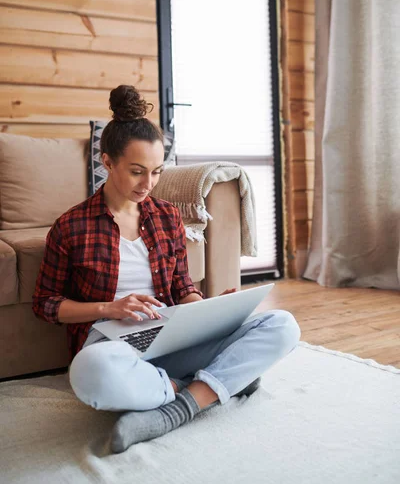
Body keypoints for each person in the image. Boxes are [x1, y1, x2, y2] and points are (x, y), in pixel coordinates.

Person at [33, 84, 301, 454]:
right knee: (88, 374)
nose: (149, 184)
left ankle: (176, 409)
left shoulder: (166, 216)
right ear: (107, 162)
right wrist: (109, 308)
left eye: (157, 172)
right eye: (137, 172)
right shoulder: (71, 226)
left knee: (282, 324)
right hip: (112, 345)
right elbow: (46, 304)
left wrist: (206, 307)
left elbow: (181, 285)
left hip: (172, 333)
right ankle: (214, 382)